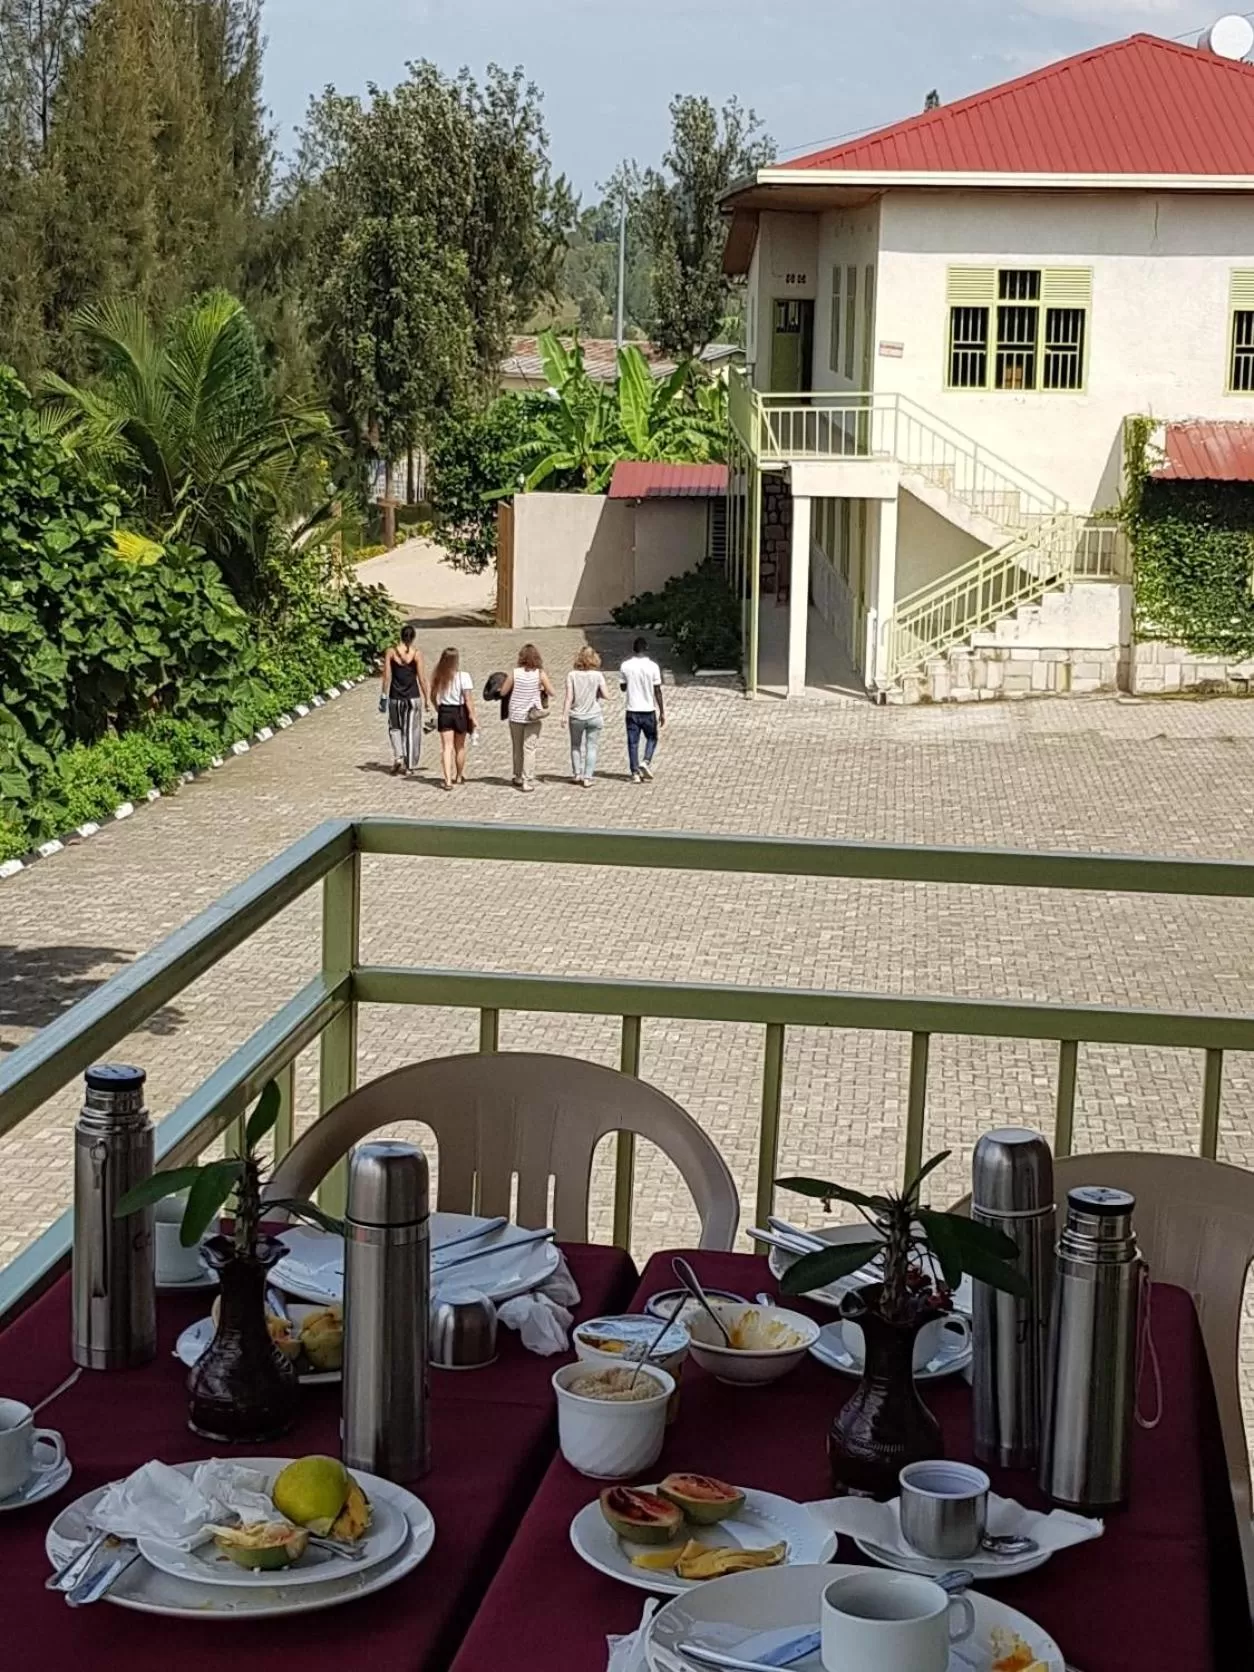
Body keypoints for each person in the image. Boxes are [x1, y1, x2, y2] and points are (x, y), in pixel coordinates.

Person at [500, 643, 553, 792]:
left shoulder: (515, 673)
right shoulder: (540, 674)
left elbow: (503, 692)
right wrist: (541, 688)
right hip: (532, 716)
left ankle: (517, 776)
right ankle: (527, 780)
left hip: (516, 715)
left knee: (517, 748)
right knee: (530, 748)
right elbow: (552, 691)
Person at [381, 624, 430, 776]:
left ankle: (398, 756)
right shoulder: (417, 654)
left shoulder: (391, 652)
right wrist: (427, 699)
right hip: (412, 698)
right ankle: (409, 766)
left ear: (400, 636)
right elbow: (421, 678)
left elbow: (387, 676)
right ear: (413, 637)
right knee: (411, 731)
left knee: (394, 728)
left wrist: (384, 695)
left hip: (395, 697)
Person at [619, 636, 664, 783]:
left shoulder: (625, 666)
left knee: (633, 742)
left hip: (632, 709)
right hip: (648, 709)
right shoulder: (653, 666)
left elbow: (623, 687)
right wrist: (662, 711)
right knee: (652, 737)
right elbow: (657, 690)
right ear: (646, 648)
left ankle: (634, 773)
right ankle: (646, 760)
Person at [431, 646, 477, 791]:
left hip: (445, 710)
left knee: (446, 748)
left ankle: (447, 780)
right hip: (460, 711)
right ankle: (459, 775)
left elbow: (433, 696)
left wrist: (438, 708)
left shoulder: (439, 676)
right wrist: (473, 716)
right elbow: (468, 700)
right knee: (460, 747)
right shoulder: (464, 676)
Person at [563, 646, 608, 787]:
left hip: (576, 716)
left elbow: (569, 698)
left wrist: (564, 715)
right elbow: (606, 695)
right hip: (594, 715)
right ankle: (588, 777)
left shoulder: (572, 675)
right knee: (592, 747)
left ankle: (577, 774)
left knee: (575, 745)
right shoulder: (598, 675)